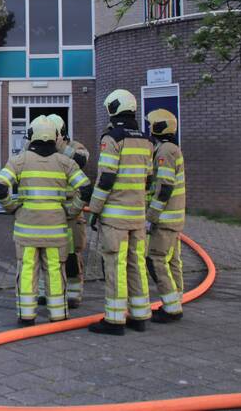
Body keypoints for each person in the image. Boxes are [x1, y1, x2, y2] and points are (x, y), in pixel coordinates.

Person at [0, 116, 87, 325]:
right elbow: (86, 188)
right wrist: (72, 210)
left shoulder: (19, 160)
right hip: (56, 229)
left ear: (31, 135)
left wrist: (11, 207)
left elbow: (0, 187)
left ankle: (26, 315)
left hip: (27, 230)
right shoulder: (65, 162)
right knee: (55, 269)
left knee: (27, 269)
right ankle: (58, 314)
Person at [87, 89, 154, 336]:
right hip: (137, 215)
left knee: (115, 264)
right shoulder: (146, 140)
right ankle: (140, 315)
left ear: (113, 109)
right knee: (137, 263)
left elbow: (106, 178)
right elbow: (149, 178)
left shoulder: (112, 138)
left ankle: (115, 320)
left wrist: (94, 210)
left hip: (115, 217)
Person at [145, 108, 186, 323]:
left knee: (156, 259)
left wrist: (151, 215)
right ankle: (176, 300)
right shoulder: (171, 148)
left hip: (165, 219)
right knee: (172, 261)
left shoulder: (165, 152)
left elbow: (164, 188)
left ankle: (171, 307)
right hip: (173, 218)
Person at [47, 113, 91, 309]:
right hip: (49, 209)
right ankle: (43, 290)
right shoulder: (42, 146)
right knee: (46, 253)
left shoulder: (75, 147)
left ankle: (74, 292)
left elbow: (82, 160)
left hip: (71, 211)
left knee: (72, 254)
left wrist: (61, 148)